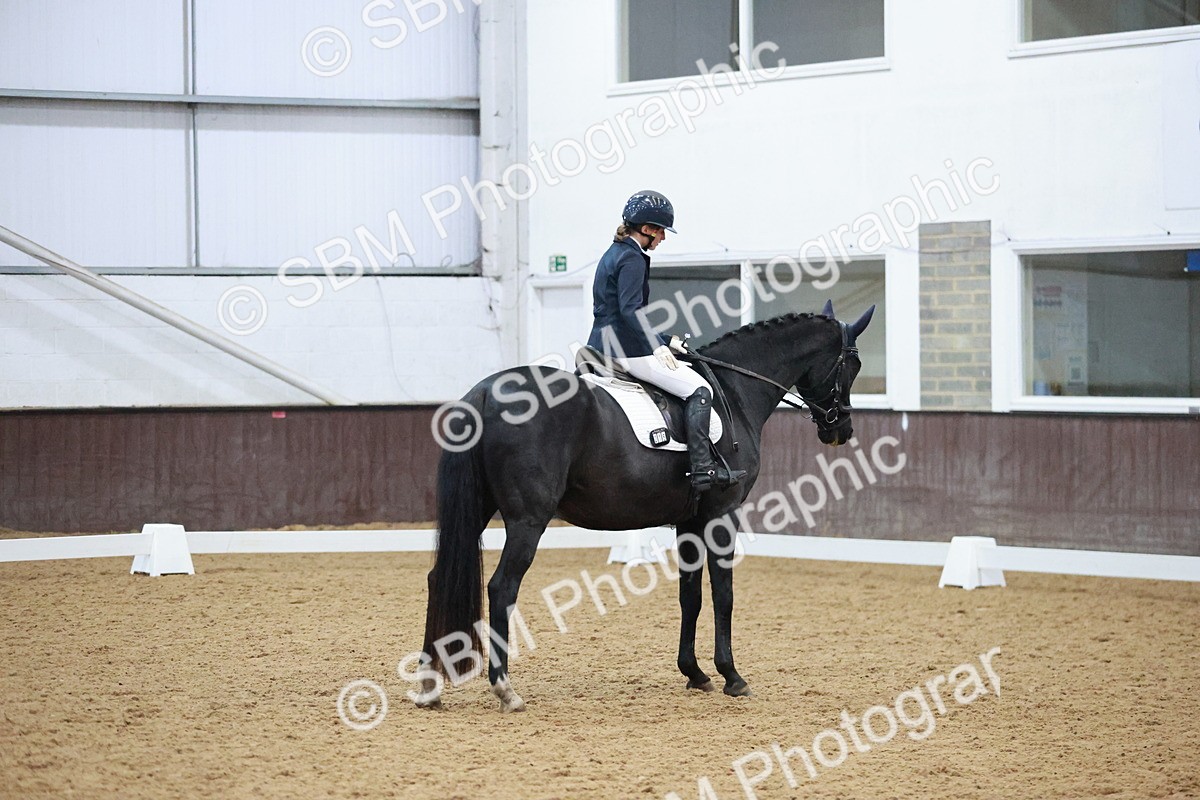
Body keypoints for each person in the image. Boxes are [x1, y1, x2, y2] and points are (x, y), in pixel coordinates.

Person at [586, 190, 745, 492]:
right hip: (627, 349)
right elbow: (630, 310)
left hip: (601, 342)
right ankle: (702, 469)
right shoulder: (631, 258)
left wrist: (664, 339)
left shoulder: (614, 252)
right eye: (660, 231)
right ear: (646, 229)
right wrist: (657, 345)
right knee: (700, 388)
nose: (662, 238)